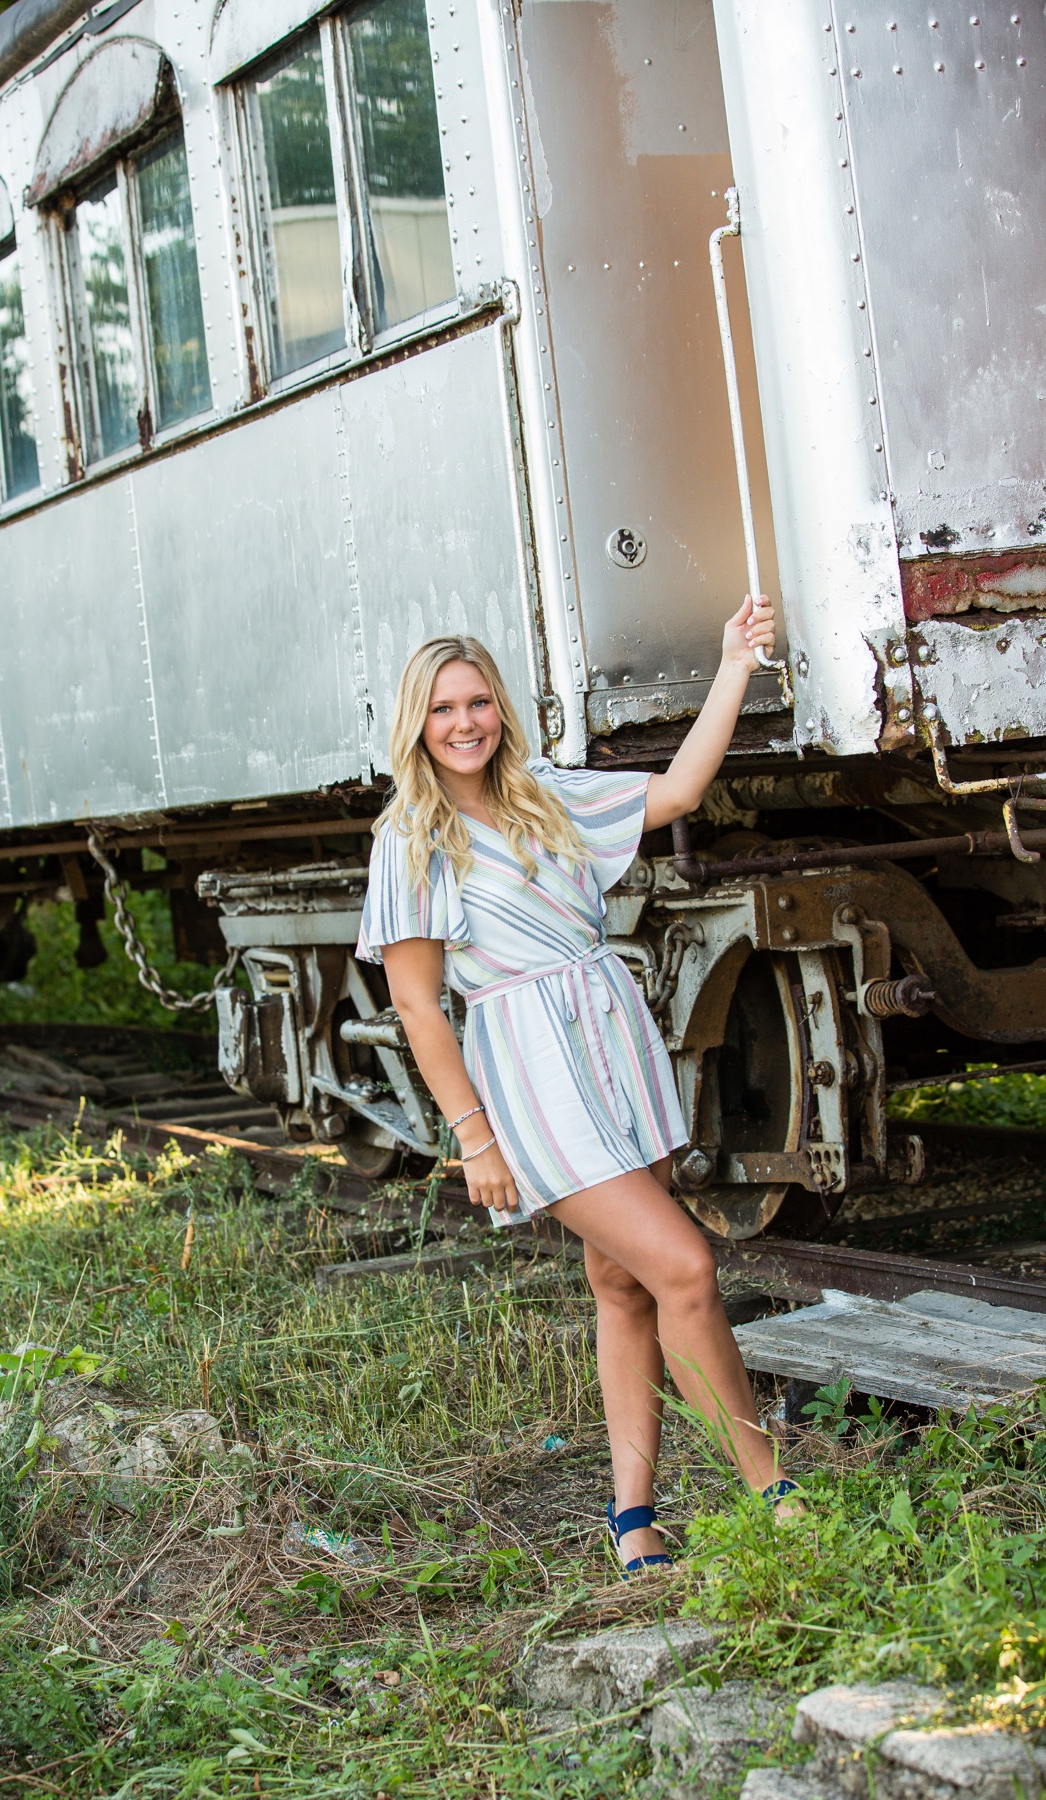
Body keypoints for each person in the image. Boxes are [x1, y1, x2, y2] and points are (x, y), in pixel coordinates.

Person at [356, 596, 798, 1574]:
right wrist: (476, 1138)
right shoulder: (411, 841)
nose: (464, 722)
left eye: (477, 702)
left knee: (620, 1282)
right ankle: (773, 1496)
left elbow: (680, 792)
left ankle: (632, 1520)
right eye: (442, 710)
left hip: (611, 1042)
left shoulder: (544, 796)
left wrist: (732, 663)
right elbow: (423, 1009)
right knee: (682, 1266)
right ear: (415, 727)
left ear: (499, 710)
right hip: (532, 1071)